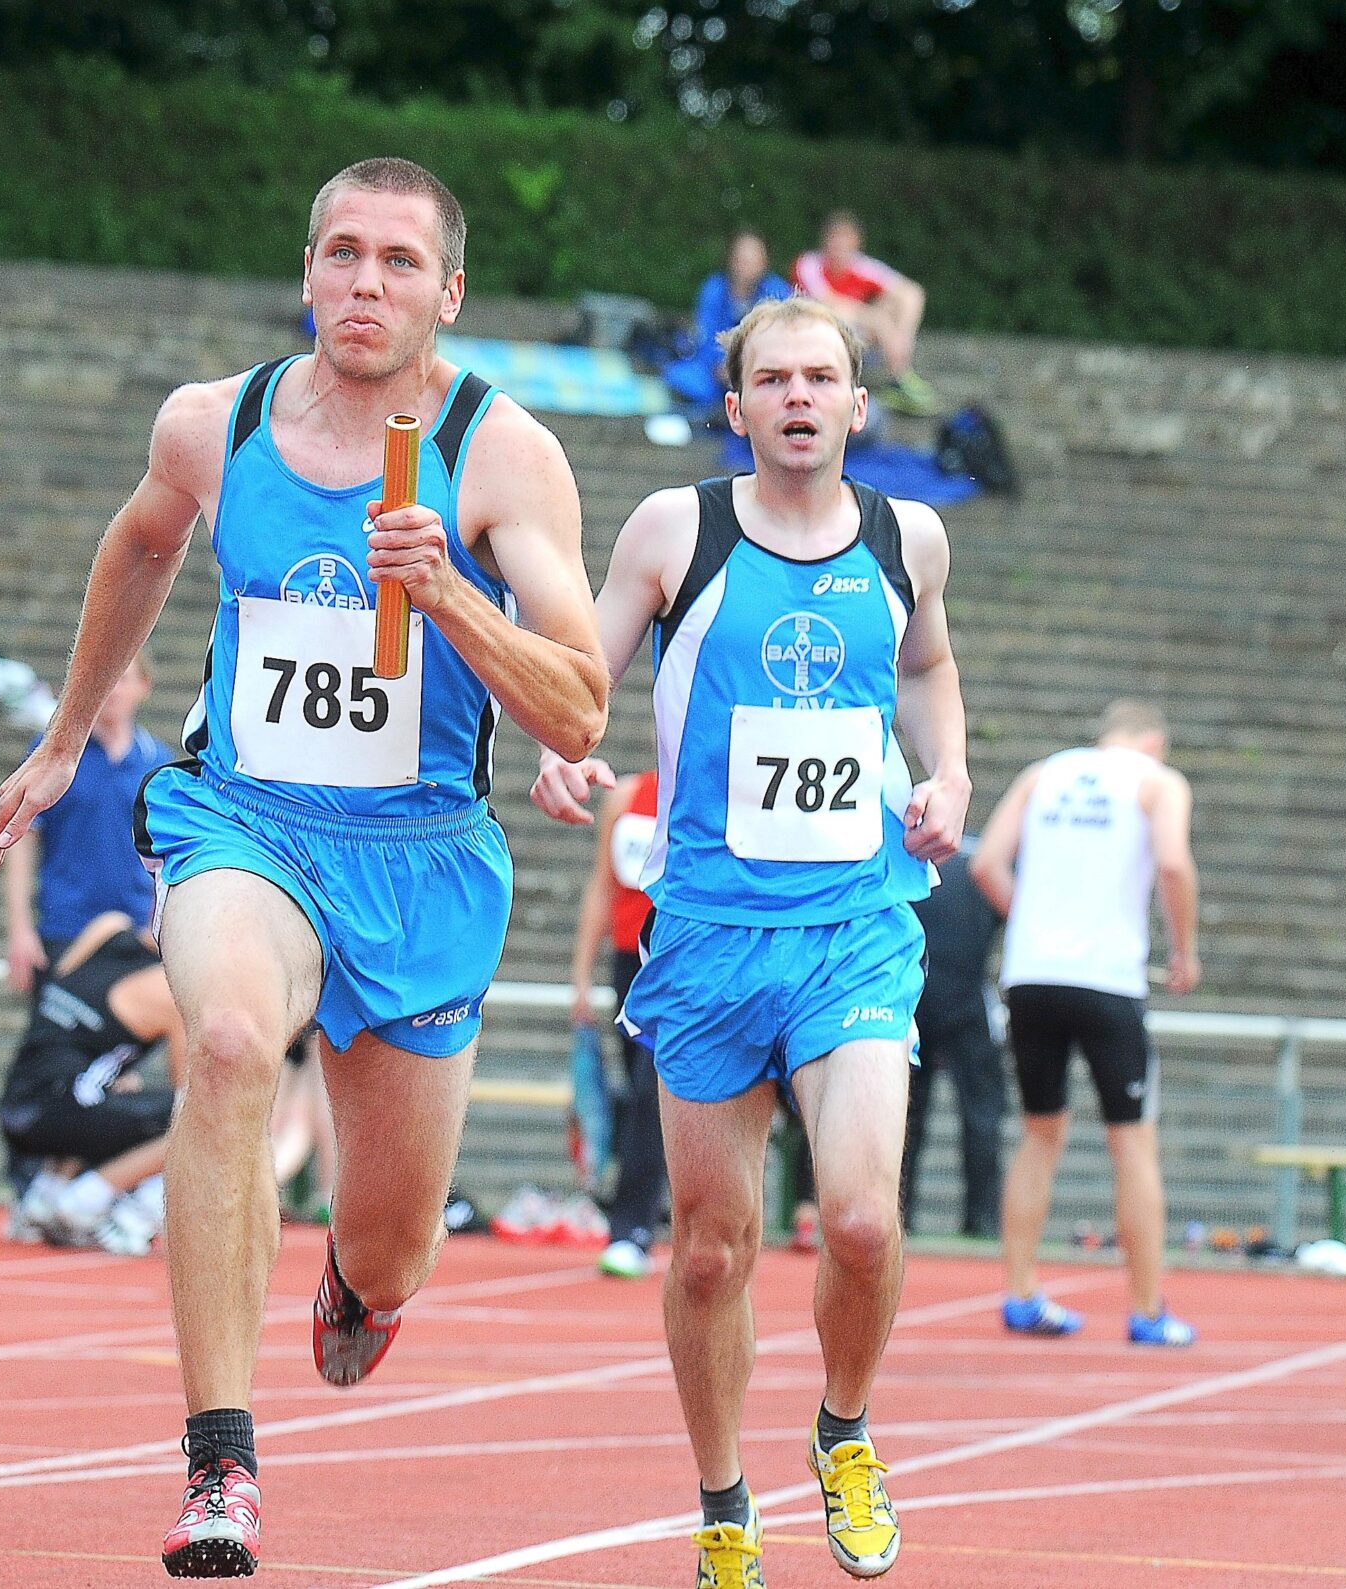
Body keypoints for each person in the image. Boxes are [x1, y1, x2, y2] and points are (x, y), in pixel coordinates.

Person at [0, 157, 607, 1579]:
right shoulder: (218, 424)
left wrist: (448, 591)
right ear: (305, 270)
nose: (363, 284)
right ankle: (219, 1464)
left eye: (398, 261)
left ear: (449, 292)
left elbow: (576, 704)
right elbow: (141, 544)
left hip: (422, 857)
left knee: (390, 1246)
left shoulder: (504, 454)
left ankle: (354, 1281)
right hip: (244, 819)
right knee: (226, 1038)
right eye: (341, 253)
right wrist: (70, 738)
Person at [531, 294, 967, 1586]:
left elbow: (932, 670)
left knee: (864, 1221)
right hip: (711, 937)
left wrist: (947, 777)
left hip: (856, 928)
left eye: (819, 377)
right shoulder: (681, 528)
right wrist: (565, 751)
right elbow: (583, 672)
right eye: (770, 377)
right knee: (712, 1249)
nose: (795, 396)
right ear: (736, 407)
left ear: (856, 401)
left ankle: (843, 1428)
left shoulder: (911, 538)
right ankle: (724, 1500)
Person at [973, 700, 1200, 1348]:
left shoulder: (1043, 773)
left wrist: (1038, 925)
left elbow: (987, 863)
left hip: (1033, 974)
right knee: (1131, 1142)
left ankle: (1019, 1294)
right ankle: (1147, 1307)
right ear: (1153, 740)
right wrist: (1184, 949)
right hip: (1107, 977)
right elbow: (1175, 863)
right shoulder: (1158, 782)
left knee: (1040, 1133)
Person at [1, 911, 184, 1256]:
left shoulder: (107, 927)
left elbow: (55, 1013)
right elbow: (189, 1095)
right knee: (198, 1118)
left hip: (16, 1102)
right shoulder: (170, 989)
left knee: (95, 1086)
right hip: (61, 1115)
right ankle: (91, 1203)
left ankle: (45, 1194)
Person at [0, 655, 172, 995]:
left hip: (135, 934)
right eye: (105, 677)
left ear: (143, 687)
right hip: (65, 928)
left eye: (123, 679)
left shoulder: (156, 762)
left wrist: (159, 922)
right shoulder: (54, 754)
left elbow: (169, 852)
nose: (113, 690)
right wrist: (19, 928)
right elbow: (21, 836)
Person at [567, 767, 671, 1278]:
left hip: (678, 956)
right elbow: (600, 887)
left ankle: (632, 1226)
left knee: (653, 1092)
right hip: (629, 960)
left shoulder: (712, 787)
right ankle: (652, 1197)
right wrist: (581, 976)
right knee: (636, 1090)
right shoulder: (627, 796)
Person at [902, 835, 1005, 1238]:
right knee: (982, 1115)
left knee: (906, 1117)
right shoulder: (982, 868)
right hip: (967, 1001)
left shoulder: (907, 864)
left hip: (914, 999)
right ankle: (981, 1219)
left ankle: (899, 1215)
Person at [791, 212, 937, 416]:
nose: (839, 246)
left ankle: (898, 369)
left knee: (901, 300)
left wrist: (899, 337)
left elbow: (911, 293)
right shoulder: (809, 264)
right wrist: (879, 322)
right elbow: (826, 302)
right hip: (814, 338)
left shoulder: (862, 266)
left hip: (863, 338)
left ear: (856, 243)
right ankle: (898, 376)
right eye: (835, 238)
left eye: (845, 239)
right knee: (841, 314)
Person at [664, 231, 793, 410]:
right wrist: (723, 365)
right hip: (716, 371)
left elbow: (785, 339)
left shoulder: (777, 291)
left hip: (764, 371)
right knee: (679, 376)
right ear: (731, 260)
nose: (746, 266)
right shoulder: (714, 289)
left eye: (752, 260)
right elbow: (706, 335)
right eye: (741, 259)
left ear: (763, 262)